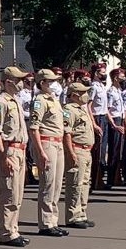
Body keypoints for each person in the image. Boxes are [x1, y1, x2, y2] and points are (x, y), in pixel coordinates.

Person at [0, 66, 32, 247]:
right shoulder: (0, 102)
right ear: (8, 82)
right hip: (9, 150)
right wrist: (3, 155)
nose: (22, 83)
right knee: (9, 193)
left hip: (20, 150)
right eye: (19, 80)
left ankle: (13, 229)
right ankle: (7, 232)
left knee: (18, 193)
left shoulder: (15, 100)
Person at [31, 68, 69, 236]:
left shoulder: (53, 99)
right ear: (42, 83)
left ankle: (53, 220)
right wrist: (40, 151)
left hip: (58, 143)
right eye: (50, 81)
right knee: (48, 183)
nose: (54, 84)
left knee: (57, 185)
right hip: (47, 143)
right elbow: (34, 128)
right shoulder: (39, 101)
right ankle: (46, 223)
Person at [63, 82, 96, 228]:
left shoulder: (82, 109)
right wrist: (71, 152)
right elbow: (67, 133)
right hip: (77, 150)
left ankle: (82, 212)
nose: (86, 96)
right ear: (75, 95)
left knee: (84, 184)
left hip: (86, 151)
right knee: (75, 184)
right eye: (83, 93)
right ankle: (73, 216)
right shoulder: (69, 110)